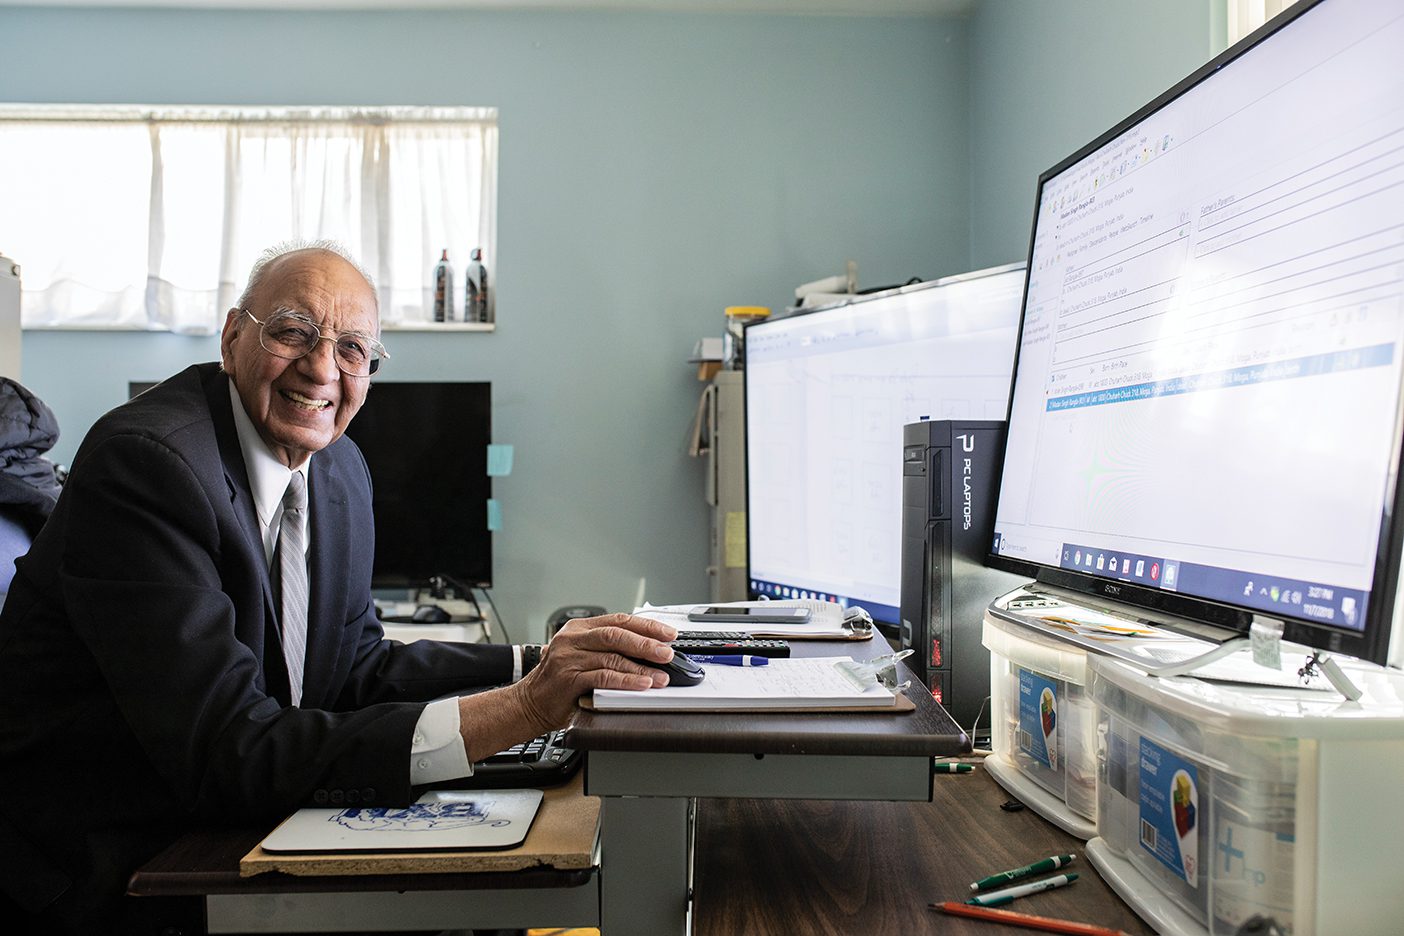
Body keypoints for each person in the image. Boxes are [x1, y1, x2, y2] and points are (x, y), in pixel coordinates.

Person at [0, 242, 679, 935]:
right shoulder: (148, 466)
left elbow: (352, 667)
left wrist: (543, 661)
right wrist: (524, 708)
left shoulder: (339, 467)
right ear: (234, 336)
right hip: (114, 865)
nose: (322, 368)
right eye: (293, 332)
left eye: (353, 348)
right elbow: (230, 749)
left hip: (229, 819)